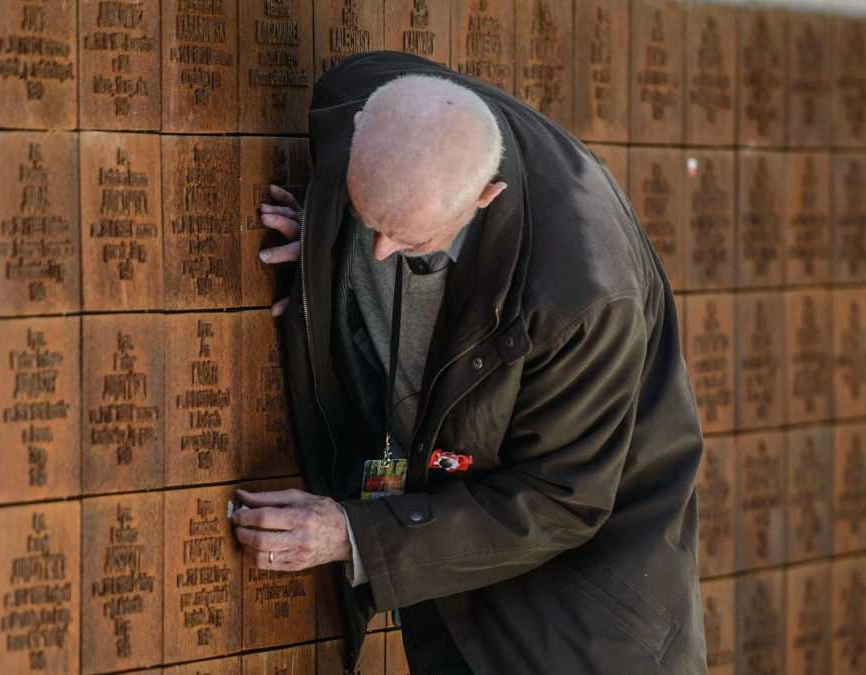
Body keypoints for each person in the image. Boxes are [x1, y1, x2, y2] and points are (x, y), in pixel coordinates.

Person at [232, 50, 705, 674]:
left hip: (581, 627)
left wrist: (351, 534)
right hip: (463, 581)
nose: (379, 254)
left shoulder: (583, 301)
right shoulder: (366, 98)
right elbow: (382, 221)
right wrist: (327, 248)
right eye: (364, 220)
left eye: (411, 242)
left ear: (485, 197)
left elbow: (559, 500)